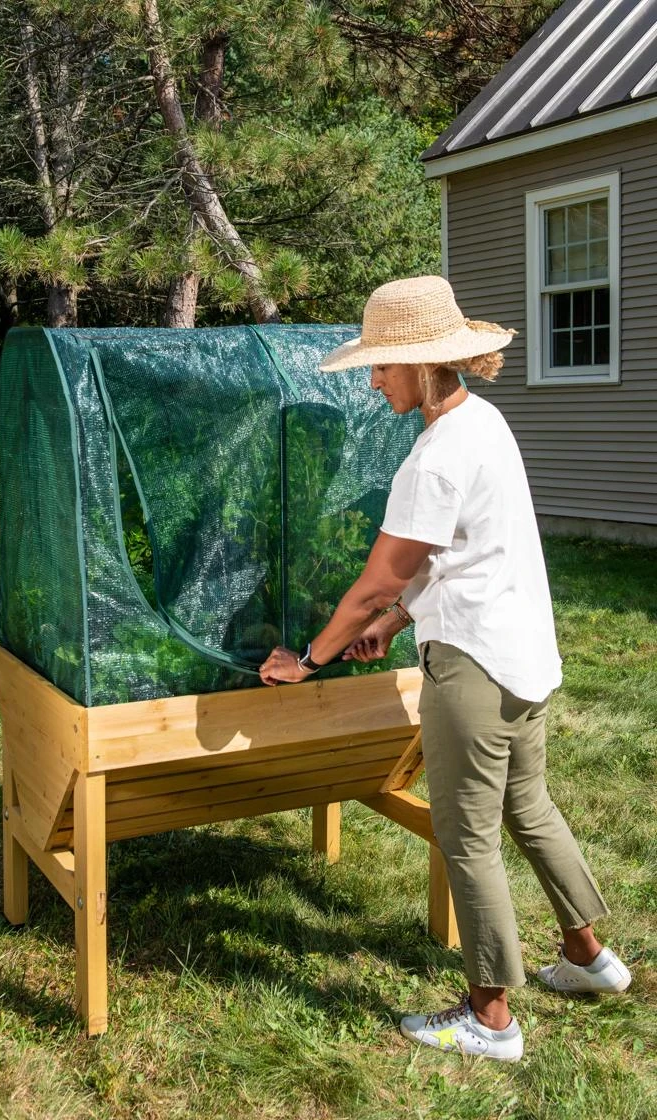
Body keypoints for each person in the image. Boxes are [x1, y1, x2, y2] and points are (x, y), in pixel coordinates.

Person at [259, 275, 631, 1063]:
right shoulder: (484, 423)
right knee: (528, 807)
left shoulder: (432, 459)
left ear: (424, 364)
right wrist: (398, 621)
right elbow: (460, 554)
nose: (374, 382)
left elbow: (377, 580)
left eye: (382, 366)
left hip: (473, 668)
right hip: (525, 655)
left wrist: (310, 660)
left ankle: (490, 1019)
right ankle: (590, 957)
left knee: (466, 836)